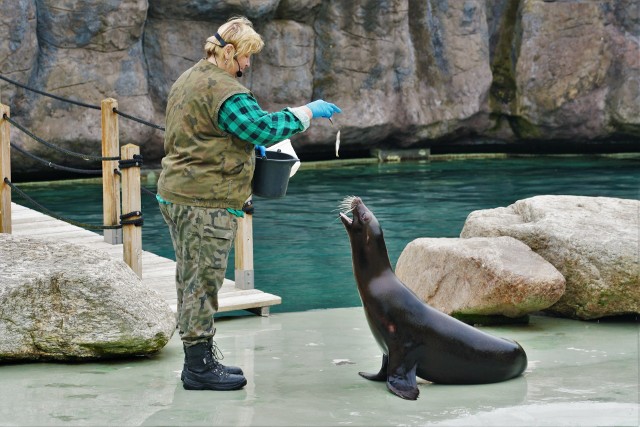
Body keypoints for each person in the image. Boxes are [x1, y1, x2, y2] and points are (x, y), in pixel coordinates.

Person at [156, 16, 341, 391]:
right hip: (203, 201)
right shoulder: (226, 91)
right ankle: (198, 368)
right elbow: (263, 128)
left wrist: (243, 147)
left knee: (190, 277)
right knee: (202, 281)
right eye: (245, 58)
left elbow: (209, 131)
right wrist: (306, 112)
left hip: (176, 192)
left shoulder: (188, 77)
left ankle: (199, 358)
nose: (247, 66)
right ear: (227, 52)